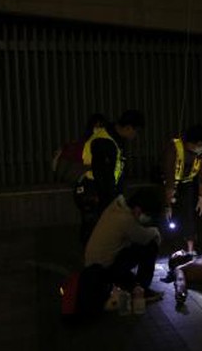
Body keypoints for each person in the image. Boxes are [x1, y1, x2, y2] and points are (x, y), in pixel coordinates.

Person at [76, 109, 145, 245]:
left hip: (105, 191)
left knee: (104, 231)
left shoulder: (116, 138)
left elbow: (116, 169)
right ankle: (91, 262)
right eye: (136, 132)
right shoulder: (103, 141)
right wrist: (114, 200)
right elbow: (102, 176)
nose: (136, 136)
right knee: (94, 230)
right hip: (93, 190)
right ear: (128, 128)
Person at [84, 186, 165, 302]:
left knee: (131, 247)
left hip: (93, 266)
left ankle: (130, 284)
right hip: (103, 271)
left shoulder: (116, 206)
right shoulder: (126, 220)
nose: (147, 218)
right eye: (147, 215)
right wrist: (156, 232)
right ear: (138, 209)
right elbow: (145, 237)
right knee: (150, 245)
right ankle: (142, 289)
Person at [162, 124, 202, 254]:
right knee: (170, 217)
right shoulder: (174, 147)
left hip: (187, 183)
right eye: (198, 144)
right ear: (188, 143)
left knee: (189, 214)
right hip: (171, 183)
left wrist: (201, 198)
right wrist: (168, 204)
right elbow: (170, 178)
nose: (200, 147)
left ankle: (190, 249)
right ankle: (172, 249)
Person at [52, 112, 107, 184]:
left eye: (102, 127)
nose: (99, 131)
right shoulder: (77, 146)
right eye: (97, 127)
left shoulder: (106, 146)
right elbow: (63, 171)